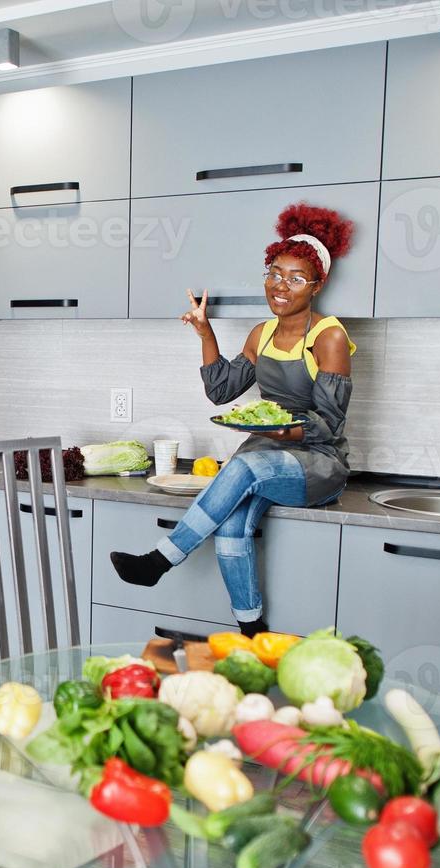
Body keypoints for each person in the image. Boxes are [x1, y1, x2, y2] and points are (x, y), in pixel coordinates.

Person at [109, 203, 357, 638]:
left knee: (241, 465)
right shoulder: (261, 334)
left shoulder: (329, 336)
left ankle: (160, 560)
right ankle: (251, 628)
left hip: (316, 461)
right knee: (232, 528)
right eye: (274, 273)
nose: (281, 286)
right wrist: (206, 333)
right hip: (266, 454)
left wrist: (284, 430)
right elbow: (221, 390)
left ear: (316, 286)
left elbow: (329, 424)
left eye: (296, 279)